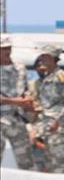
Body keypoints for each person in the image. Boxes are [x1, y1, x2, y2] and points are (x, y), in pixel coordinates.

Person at [29, 45, 64, 173]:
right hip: (45, 127)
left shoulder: (60, 78)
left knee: (58, 165)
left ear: (53, 59)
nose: (42, 60)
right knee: (47, 164)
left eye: (45, 57)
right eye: (42, 57)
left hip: (56, 128)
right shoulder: (46, 77)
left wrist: (59, 121)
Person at [0, 34, 35, 169]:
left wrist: (28, 98)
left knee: (27, 163)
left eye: (8, 48)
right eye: (3, 49)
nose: (7, 51)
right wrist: (18, 102)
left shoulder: (20, 68)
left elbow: (25, 90)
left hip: (17, 120)